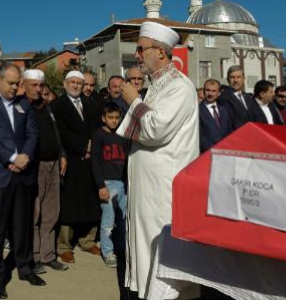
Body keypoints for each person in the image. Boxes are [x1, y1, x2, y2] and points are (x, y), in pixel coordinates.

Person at [117, 21, 199, 299]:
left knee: (164, 258)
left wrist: (133, 101)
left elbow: (154, 129)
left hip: (164, 192)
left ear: (161, 52)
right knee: (145, 252)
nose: (136, 54)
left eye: (141, 49)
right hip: (147, 191)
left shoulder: (180, 87)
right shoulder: (155, 87)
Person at [0, 62, 42, 299]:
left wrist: (24, 157)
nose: (15, 87)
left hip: (22, 175)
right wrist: (11, 157)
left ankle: (25, 267)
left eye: (18, 83)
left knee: (22, 226)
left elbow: (33, 134)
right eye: (11, 83)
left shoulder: (25, 105)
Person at [50, 71, 102, 264]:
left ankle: (87, 241)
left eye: (79, 83)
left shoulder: (93, 105)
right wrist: (84, 146)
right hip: (71, 160)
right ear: (65, 84)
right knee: (69, 204)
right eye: (72, 82)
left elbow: (99, 129)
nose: (76, 86)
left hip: (90, 161)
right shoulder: (56, 106)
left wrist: (93, 147)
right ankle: (64, 246)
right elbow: (60, 132)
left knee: (91, 201)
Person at [21, 69, 69, 274]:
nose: (38, 89)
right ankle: (34, 256)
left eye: (40, 85)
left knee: (51, 212)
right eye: (33, 85)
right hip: (35, 165)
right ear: (23, 85)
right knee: (35, 213)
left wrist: (62, 154)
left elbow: (55, 134)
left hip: (53, 164)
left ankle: (48, 255)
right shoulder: (21, 107)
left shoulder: (45, 107)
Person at [91, 102, 128, 268]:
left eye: (117, 118)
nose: (114, 121)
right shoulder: (98, 135)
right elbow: (95, 162)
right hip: (108, 183)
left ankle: (121, 249)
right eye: (110, 118)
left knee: (124, 219)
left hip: (123, 183)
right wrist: (101, 186)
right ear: (103, 118)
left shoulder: (123, 134)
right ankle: (107, 251)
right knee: (108, 220)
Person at [219, 65, 266, 129]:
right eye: (232, 77)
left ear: (243, 79)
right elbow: (229, 121)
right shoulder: (223, 98)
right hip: (236, 135)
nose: (235, 80)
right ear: (228, 80)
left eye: (238, 77)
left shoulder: (248, 97)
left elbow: (258, 116)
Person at [199, 79, 233, 153]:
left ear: (219, 93)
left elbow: (229, 131)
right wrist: (215, 149)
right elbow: (199, 136)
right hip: (207, 153)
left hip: (225, 152)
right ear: (204, 91)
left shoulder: (224, 110)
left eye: (214, 91)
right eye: (208, 90)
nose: (210, 93)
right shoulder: (198, 111)